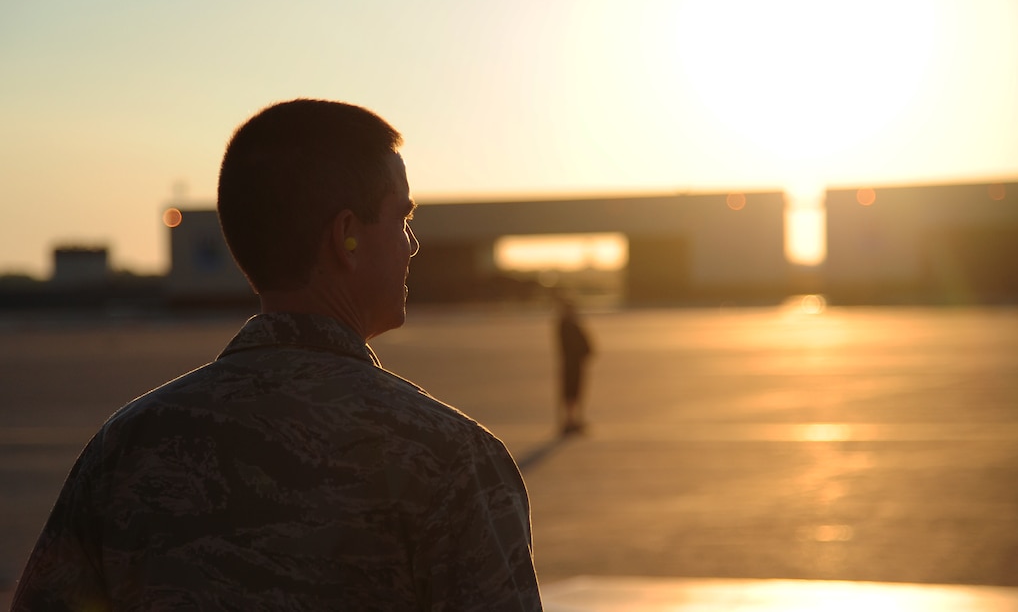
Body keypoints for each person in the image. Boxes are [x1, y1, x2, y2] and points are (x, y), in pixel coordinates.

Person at [12, 99, 543, 611]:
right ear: (347, 237)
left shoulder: (125, 449)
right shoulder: (450, 461)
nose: (412, 245)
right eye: (401, 220)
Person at [555, 296, 593, 435]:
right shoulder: (566, 324)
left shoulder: (571, 324)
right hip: (570, 363)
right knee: (570, 393)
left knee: (576, 392)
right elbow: (572, 345)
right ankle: (569, 421)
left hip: (576, 363)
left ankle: (575, 420)